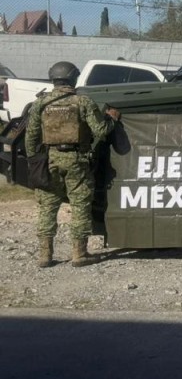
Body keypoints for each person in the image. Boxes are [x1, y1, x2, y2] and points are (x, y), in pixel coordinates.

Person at [24, 61, 120, 268]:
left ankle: (45, 256)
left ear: (53, 79)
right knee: (80, 206)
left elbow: (30, 138)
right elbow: (101, 130)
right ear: (73, 78)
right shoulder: (83, 102)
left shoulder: (40, 103)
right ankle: (79, 254)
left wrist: (36, 161)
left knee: (48, 207)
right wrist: (112, 119)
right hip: (77, 161)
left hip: (49, 161)